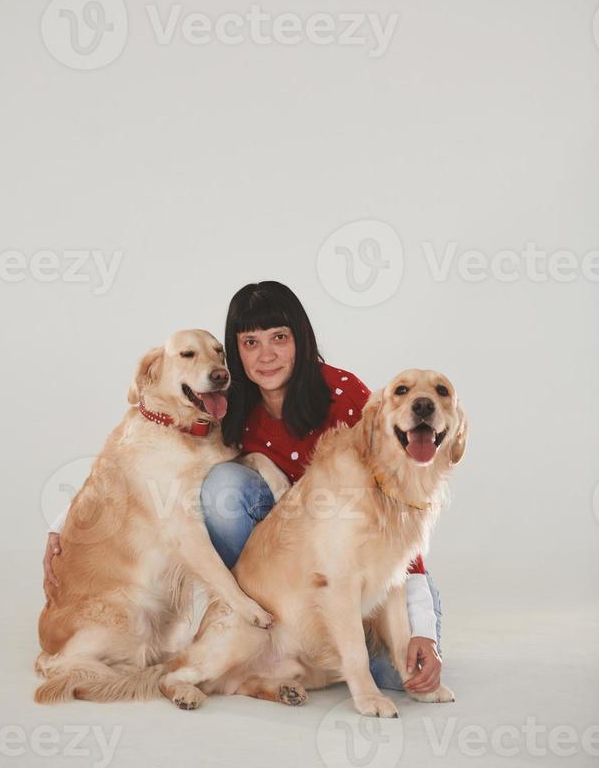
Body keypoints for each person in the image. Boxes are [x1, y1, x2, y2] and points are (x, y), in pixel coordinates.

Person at [43, 281, 443, 694]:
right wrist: (65, 528)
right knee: (223, 488)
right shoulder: (222, 402)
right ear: (237, 352)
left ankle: (299, 650)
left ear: (301, 340)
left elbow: (398, 509)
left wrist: (424, 628)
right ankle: (264, 636)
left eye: (279, 338)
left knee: (398, 679)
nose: (266, 355)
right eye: (250, 342)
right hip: (280, 579)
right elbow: (135, 468)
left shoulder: (345, 396)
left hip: (356, 573)